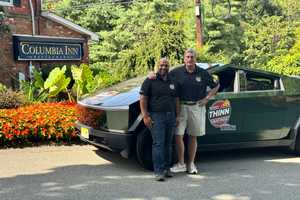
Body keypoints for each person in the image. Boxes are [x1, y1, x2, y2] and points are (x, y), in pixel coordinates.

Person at [169, 48, 220, 174]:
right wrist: (152, 76)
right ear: (184, 59)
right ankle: (181, 163)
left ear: (195, 59)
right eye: (187, 57)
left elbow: (216, 86)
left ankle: (190, 164)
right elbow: (163, 77)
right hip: (181, 107)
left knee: (193, 136)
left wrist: (207, 98)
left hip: (197, 107)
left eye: (192, 57)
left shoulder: (202, 73)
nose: (190, 59)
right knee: (178, 135)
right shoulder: (176, 72)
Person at [140, 58, 180, 181]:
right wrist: (145, 116)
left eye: (166, 65)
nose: (164, 67)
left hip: (171, 116)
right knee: (158, 144)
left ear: (169, 67)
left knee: (168, 144)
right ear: (157, 66)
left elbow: (176, 100)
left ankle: (167, 169)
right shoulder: (150, 80)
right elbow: (143, 98)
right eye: (161, 65)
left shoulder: (173, 80)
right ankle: (158, 171)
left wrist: (177, 115)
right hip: (156, 116)